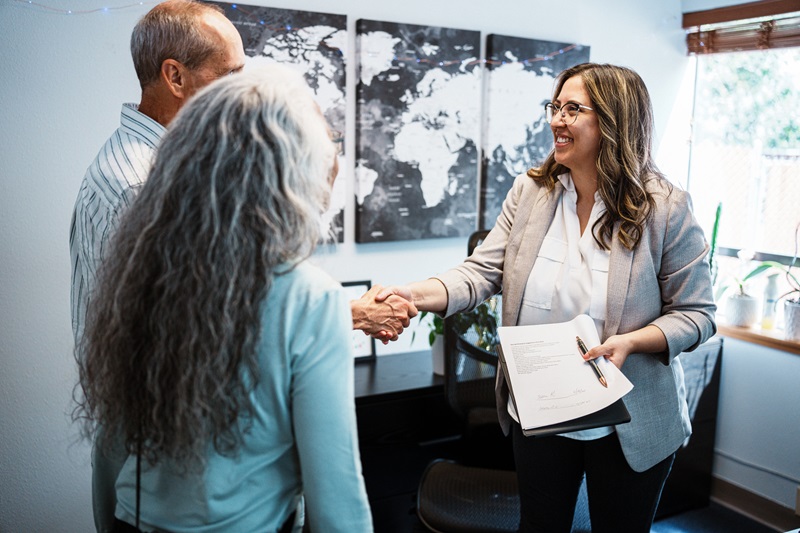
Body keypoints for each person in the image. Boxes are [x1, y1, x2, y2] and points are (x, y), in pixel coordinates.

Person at [68, 2, 408, 529]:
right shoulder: (137, 192)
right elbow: (336, 491)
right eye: (229, 74)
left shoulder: (171, 212)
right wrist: (344, 317)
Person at [376, 63, 716, 532]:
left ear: (614, 122)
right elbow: (480, 272)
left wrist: (633, 342)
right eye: (554, 106)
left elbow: (697, 313)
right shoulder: (532, 191)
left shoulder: (665, 208)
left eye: (573, 109)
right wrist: (408, 293)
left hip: (627, 421)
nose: (556, 119)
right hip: (542, 408)